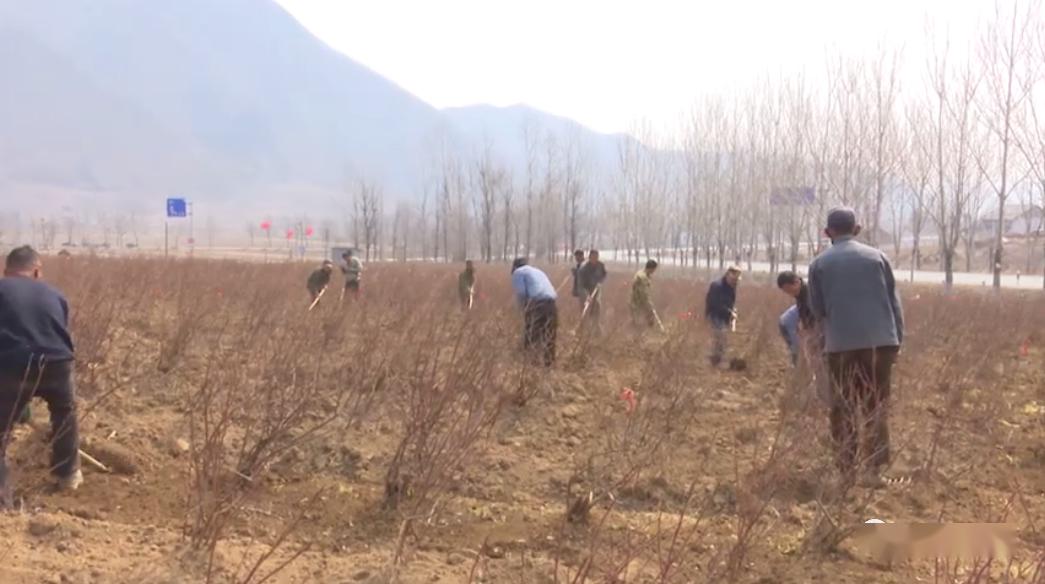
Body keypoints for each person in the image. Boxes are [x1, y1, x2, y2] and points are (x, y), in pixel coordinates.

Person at [809, 207, 904, 485]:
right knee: (876, 405)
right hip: (882, 344)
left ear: (828, 233)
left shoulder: (819, 264)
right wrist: (897, 341)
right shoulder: (878, 258)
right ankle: (874, 471)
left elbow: (818, 309)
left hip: (841, 346)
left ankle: (846, 471)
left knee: (844, 406)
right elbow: (894, 303)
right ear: (858, 229)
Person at [0, 246, 81, 507]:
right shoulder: (56, 294)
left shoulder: (2, 289)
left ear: (6, 271)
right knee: (65, 412)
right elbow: (57, 330)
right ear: (36, 271)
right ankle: (67, 474)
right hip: (59, 362)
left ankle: (3, 496)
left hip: (14, 364)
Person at [511, 258, 558, 367]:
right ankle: (549, 365)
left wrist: (522, 311)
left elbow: (521, 294)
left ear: (515, 267)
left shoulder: (518, 273)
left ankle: (530, 365)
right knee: (549, 335)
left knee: (532, 336)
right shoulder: (538, 271)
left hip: (536, 305)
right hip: (551, 305)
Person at [776, 271, 816, 367]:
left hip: (818, 320)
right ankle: (796, 355)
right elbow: (802, 311)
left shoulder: (810, 293)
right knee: (784, 321)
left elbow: (814, 315)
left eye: (790, 290)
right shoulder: (799, 292)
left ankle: (799, 358)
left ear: (796, 282)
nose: (790, 293)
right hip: (808, 318)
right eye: (786, 291)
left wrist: (807, 329)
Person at [705, 266, 741, 367]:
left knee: (721, 337)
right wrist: (729, 312)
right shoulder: (717, 286)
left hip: (724, 316)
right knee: (720, 334)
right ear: (728, 274)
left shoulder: (732, 287)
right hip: (714, 314)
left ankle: (716, 359)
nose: (735, 281)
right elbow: (715, 303)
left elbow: (731, 302)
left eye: (736, 279)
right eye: (733, 278)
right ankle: (717, 360)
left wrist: (733, 310)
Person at [577, 249, 608, 334]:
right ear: (589, 257)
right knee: (586, 310)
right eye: (593, 257)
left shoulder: (600, 265)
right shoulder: (583, 268)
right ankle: (583, 331)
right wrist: (587, 296)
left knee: (597, 308)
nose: (595, 259)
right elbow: (581, 285)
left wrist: (600, 282)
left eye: (596, 257)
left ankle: (596, 330)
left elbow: (604, 274)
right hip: (585, 291)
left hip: (596, 290)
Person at [630, 260, 661, 330]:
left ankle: (647, 331)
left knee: (647, 317)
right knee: (639, 321)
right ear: (651, 268)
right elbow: (643, 293)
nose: (654, 271)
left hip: (638, 301)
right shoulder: (642, 277)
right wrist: (649, 304)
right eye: (654, 269)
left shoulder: (642, 273)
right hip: (637, 302)